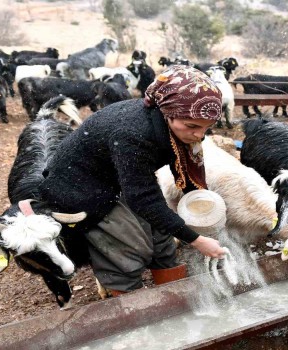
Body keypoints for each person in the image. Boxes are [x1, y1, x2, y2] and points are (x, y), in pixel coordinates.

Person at [39, 65, 228, 296]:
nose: (199, 135)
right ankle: (132, 310)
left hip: (120, 176)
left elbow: (177, 177)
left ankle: (176, 301)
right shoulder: (133, 134)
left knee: (163, 241)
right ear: (167, 111)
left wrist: (198, 204)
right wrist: (197, 240)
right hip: (81, 189)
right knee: (128, 248)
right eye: (192, 126)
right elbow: (143, 198)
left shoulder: (176, 125)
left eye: (207, 127)